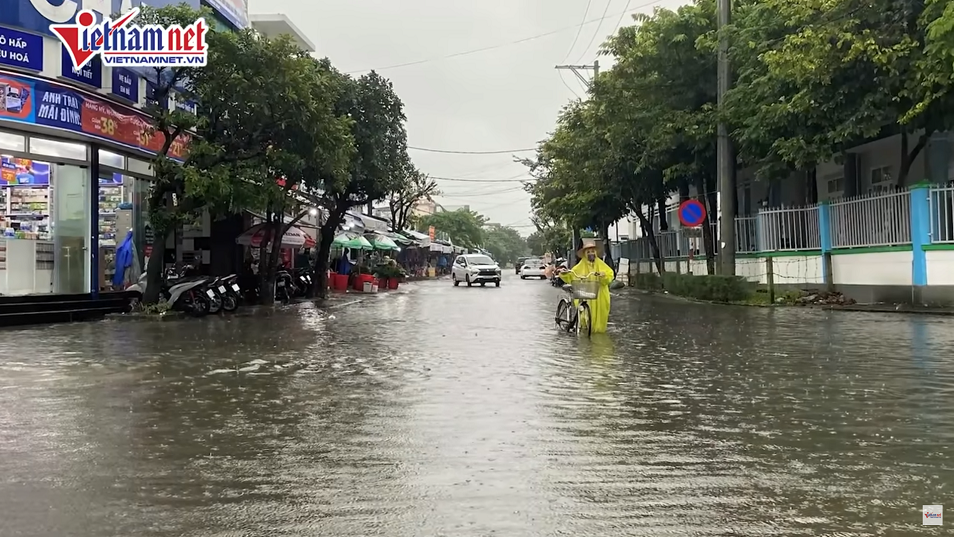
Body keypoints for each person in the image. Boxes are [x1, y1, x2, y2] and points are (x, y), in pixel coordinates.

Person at [559, 238, 615, 333]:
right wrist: (563, 273)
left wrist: (603, 275)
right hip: (586, 293)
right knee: (584, 314)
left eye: (592, 251)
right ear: (585, 254)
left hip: (600, 295)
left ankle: (598, 333)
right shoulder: (580, 266)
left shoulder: (602, 265)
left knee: (601, 314)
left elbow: (610, 275)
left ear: (595, 253)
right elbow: (571, 275)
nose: (590, 253)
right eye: (588, 252)